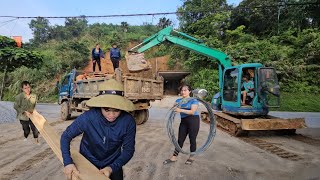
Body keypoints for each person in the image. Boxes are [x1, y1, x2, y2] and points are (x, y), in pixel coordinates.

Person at [60, 79, 136, 180]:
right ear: (100, 106)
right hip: (87, 162)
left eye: (116, 110)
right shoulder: (88, 117)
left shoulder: (128, 122)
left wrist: (111, 168)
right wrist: (68, 162)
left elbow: (128, 150)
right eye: (107, 110)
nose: (112, 115)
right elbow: (66, 136)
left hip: (113, 164)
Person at [163, 85, 200, 165]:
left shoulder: (194, 100)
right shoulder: (178, 100)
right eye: (182, 90)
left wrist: (180, 110)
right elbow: (174, 108)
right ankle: (174, 157)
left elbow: (192, 112)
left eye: (185, 90)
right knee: (180, 140)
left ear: (189, 91)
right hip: (184, 121)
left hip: (193, 120)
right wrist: (175, 106)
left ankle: (191, 157)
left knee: (192, 139)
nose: (183, 92)